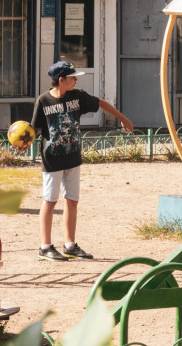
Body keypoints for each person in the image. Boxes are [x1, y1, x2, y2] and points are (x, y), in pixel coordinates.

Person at [28, 60, 133, 261]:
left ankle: (70, 245)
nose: (76, 80)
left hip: (73, 157)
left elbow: (100, 103)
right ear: (61, 80)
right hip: (52, 160)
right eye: (72, 77)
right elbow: (35, 128)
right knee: (50, 201)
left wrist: (123, 118)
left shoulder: (77, 96)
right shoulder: (43, 101)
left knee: (72, 201)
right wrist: (24, 142)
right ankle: (45, 247)